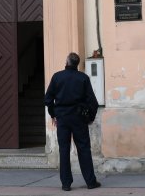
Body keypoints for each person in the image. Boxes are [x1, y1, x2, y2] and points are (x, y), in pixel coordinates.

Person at [44, 52, 101, 191]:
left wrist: (53, 114)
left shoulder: (57, 77)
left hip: (62, 118)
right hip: (79, 118)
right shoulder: (83, 78)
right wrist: (90, 118)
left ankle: (66, 184)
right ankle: (90, 182)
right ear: (77, 63)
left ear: (66, 62)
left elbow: (48, 99)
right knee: (84, 149)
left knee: (64, 149)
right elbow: (93, 102)